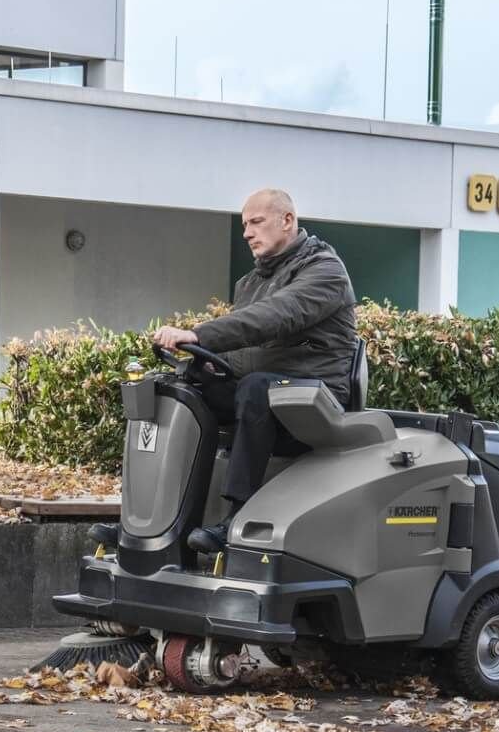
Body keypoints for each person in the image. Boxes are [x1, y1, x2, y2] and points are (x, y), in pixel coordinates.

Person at [153, 188, 357, 553]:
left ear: (287, 221)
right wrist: (200, 364)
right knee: (179, 389)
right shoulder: (249, 283)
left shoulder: (325, 270)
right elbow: (245, 354)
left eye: (256, 222)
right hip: (266, 391)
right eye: (245, 224)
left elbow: (275, 316)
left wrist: (200, 333)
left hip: (314, 402)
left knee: (257, 389)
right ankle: (163, 519)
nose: (246, 232)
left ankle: (237, 518)